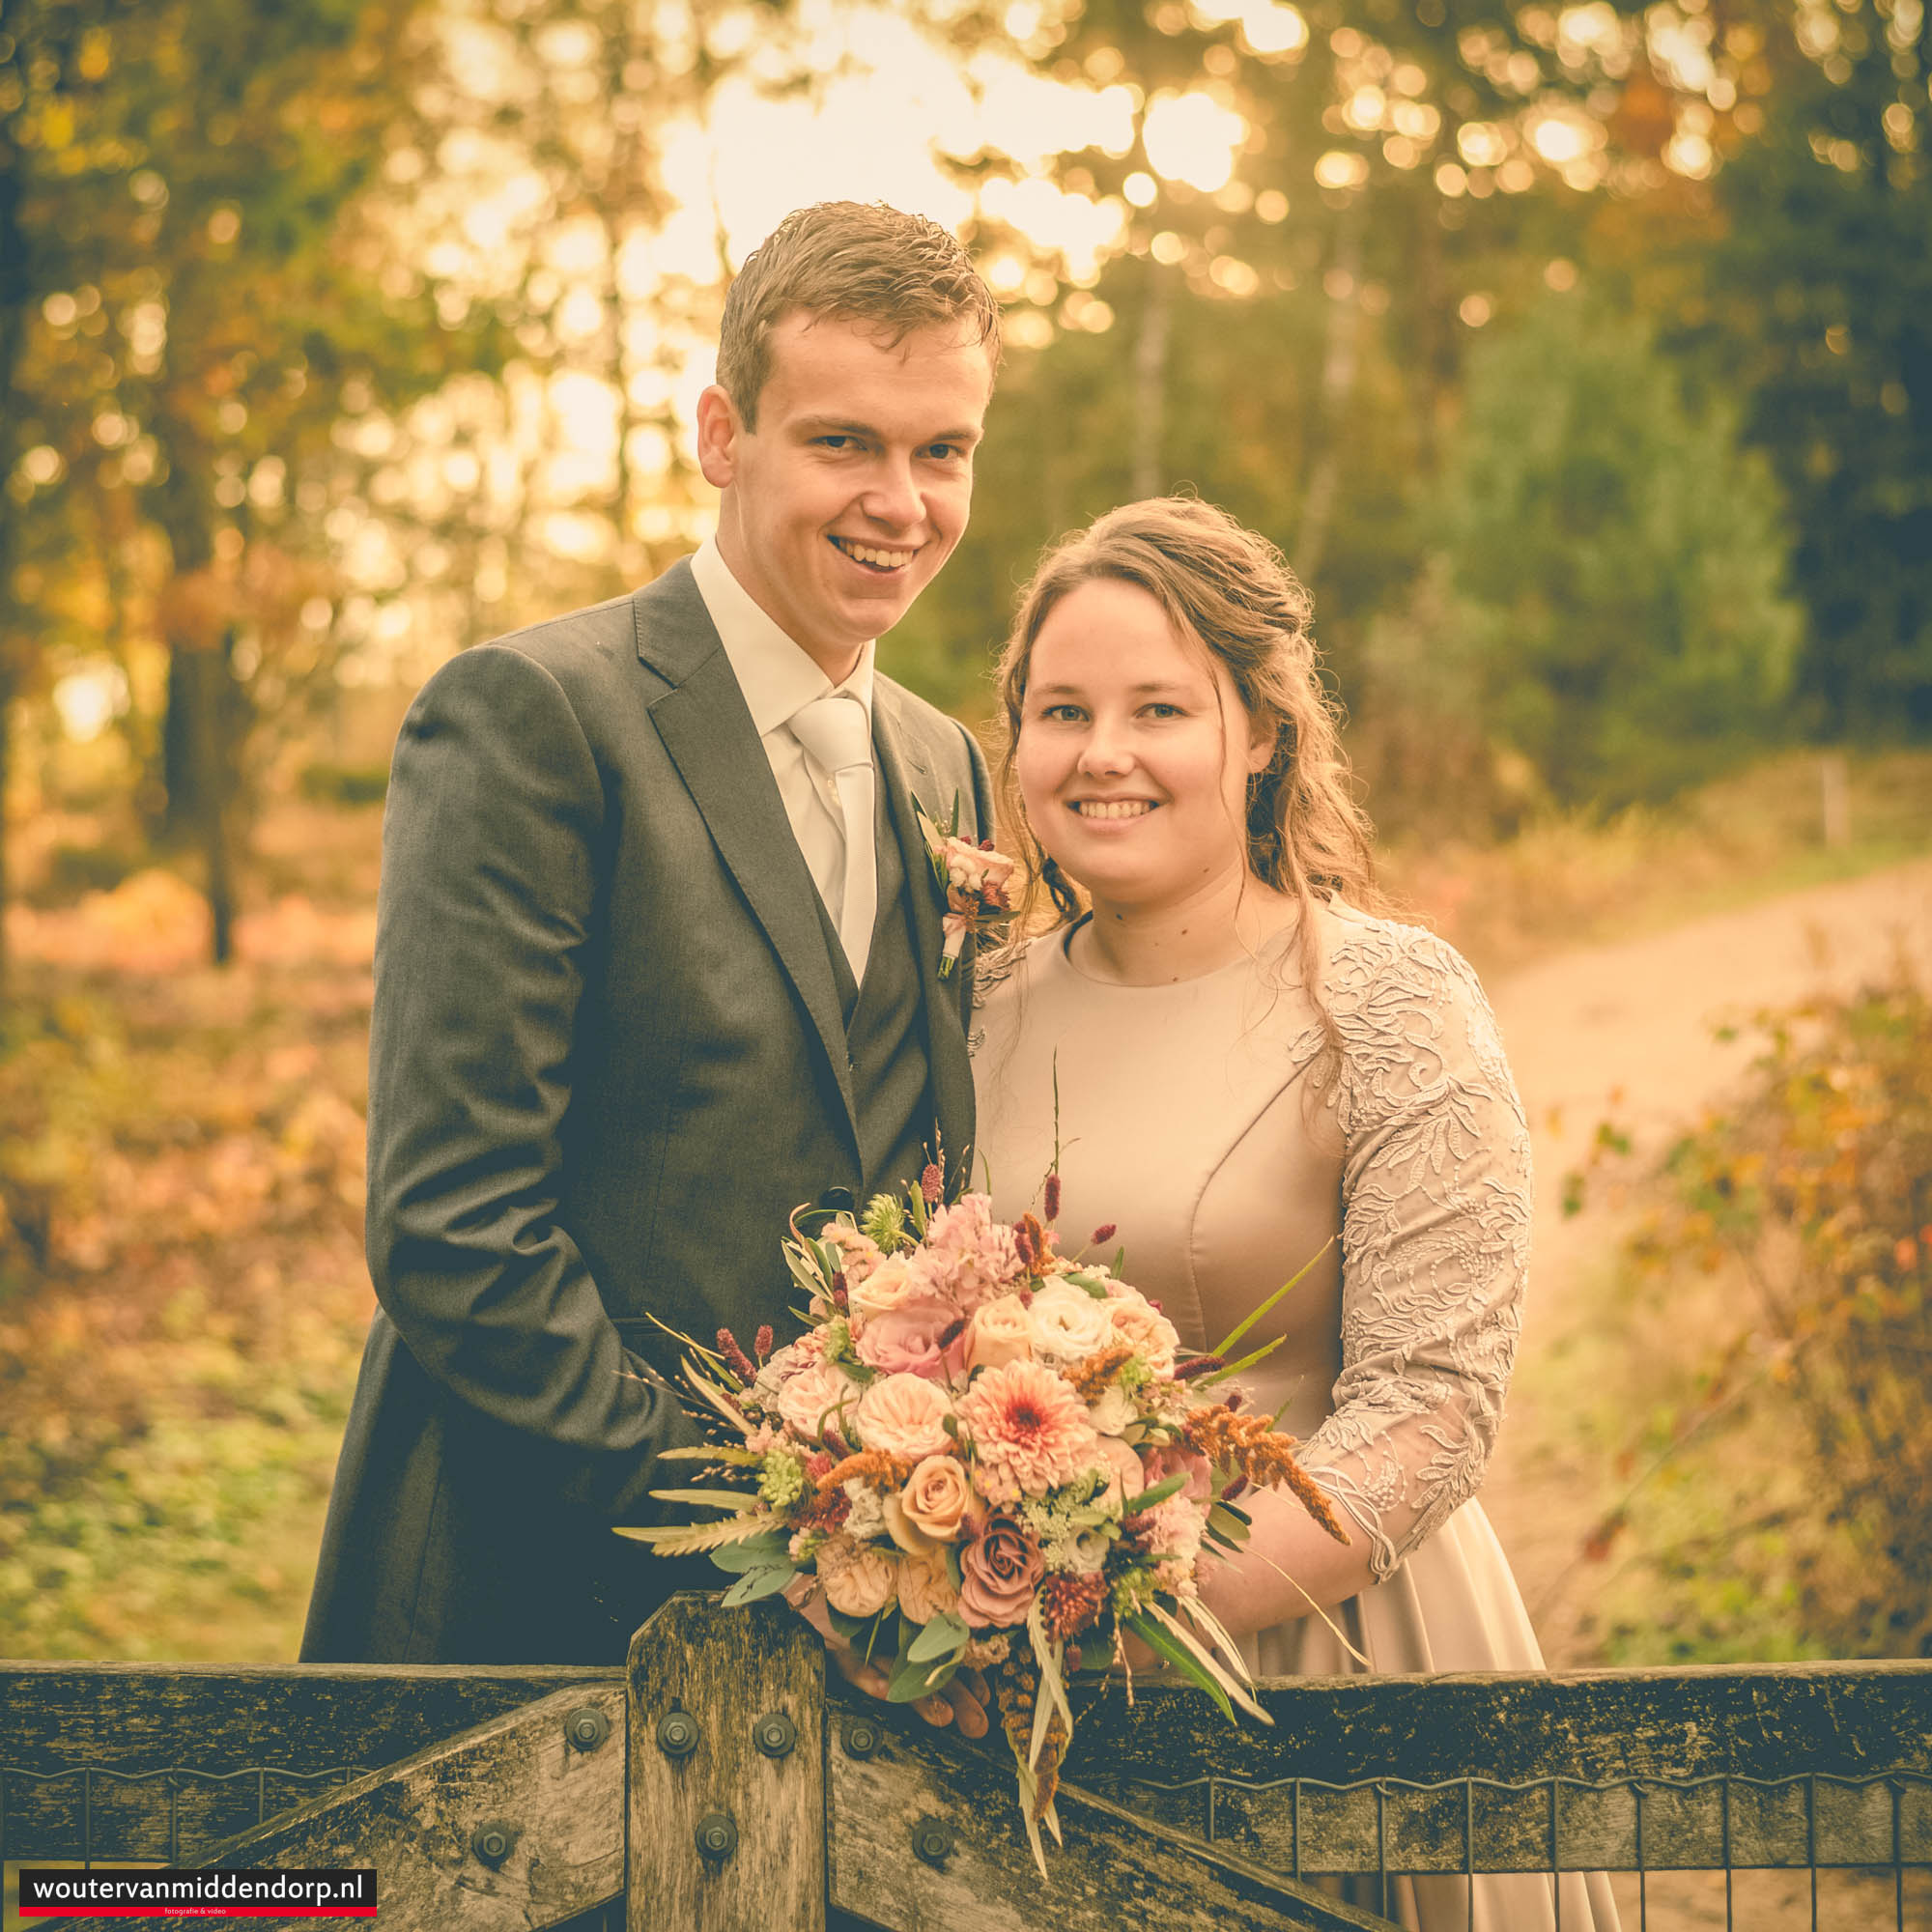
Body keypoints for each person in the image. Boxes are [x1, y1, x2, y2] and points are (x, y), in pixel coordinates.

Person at [300, 203, 998, 1736]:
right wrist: (764, 1527)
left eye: (943, 452)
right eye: (845, 444)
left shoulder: (944, 765)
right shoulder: (535, 716)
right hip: (533, 1605)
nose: (901, 502)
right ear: (720, 434)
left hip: (866, 1649)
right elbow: (453, 1230)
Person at [972, 497, 1620, 1930]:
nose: (1105, 755)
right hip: (1021, 1700)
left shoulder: (1391, 1002)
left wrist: (1141, 1614)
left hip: (1343, 1655)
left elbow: (1431, 1409)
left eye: (1161, 709)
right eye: (1061, 710)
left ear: (1260, 732)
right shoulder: (967, 1013)